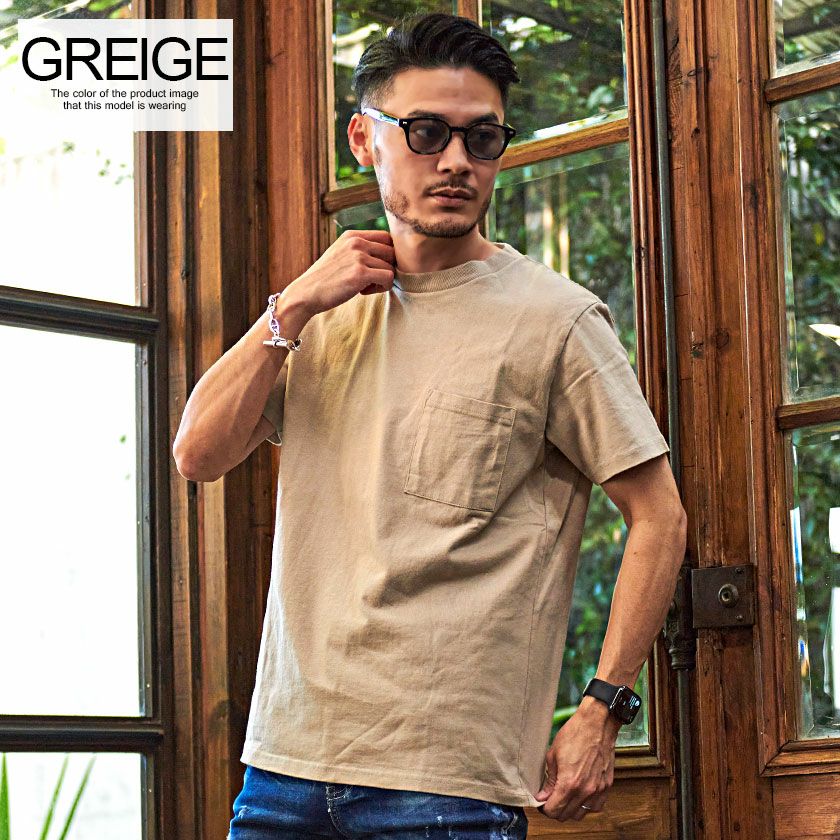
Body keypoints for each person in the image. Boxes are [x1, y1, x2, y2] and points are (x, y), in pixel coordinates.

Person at [173, 11, 687, 839]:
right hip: (283, 769)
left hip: (446, 784)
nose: (455, 161)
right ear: (364, 139)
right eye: (425, 133)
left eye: (481, 139)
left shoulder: (556, 320)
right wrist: (292, 306)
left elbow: (660, 517)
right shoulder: (319, 313)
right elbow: (198, 454)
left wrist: (604, 706)